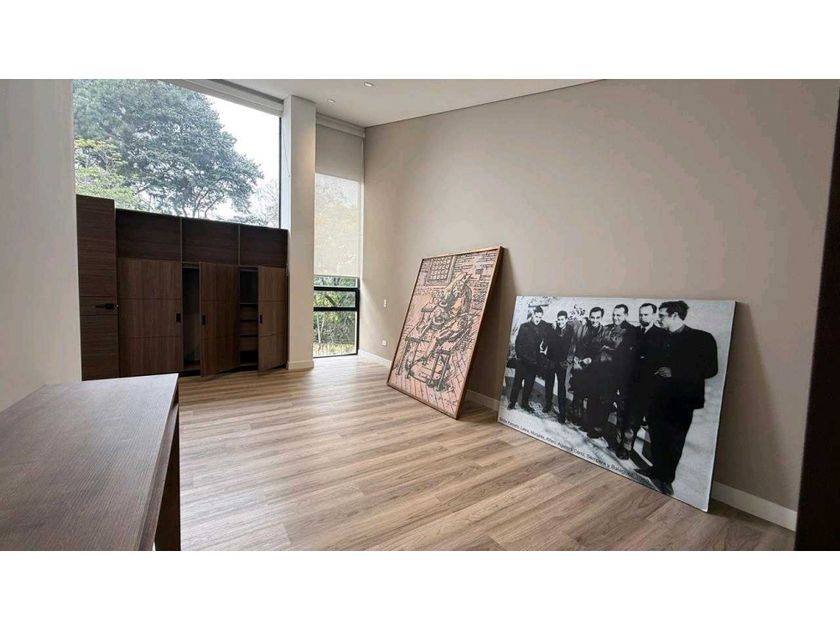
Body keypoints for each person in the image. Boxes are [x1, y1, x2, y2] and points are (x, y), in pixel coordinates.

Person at [637, 300, 718, 495]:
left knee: (675, 441)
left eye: (662, 315)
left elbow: (711, 370)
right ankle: (656, 470)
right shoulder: (659, 336)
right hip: (657, 397)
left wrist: (675, 372)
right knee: (657, 436)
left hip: (682, 400)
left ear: (675, 316)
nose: (658, 318)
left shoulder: (701, 338)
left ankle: (666, 478)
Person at [615, 302, 668, 460]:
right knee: (622, 413)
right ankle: (617, 441)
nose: (642, 317)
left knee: (634, 418)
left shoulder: (661, 334)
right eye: (640, 314)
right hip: (626, 381)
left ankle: (626, 447)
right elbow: (622, 354)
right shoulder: (633, 332)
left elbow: (663, 360)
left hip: (645, 384)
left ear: (653, 315)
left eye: (646, 314)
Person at [569, 307, 618, 439]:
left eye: (597, 317)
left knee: (593, 397)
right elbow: (577, 344)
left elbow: (602, 349)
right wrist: (577, 359)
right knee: (581, 394)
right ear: (589, 317)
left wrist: (591, 359)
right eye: (592, 317)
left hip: (595, 369)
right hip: (582, 367)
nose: (594, 320)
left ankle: (592, 425)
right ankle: (581, 420)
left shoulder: (605, 331)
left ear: (601, 318)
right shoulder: (584, 328)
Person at [607, 304, 639, 454]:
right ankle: (617, 441)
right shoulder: (610, 328)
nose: (615, 317)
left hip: (626, 378)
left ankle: (625, 446)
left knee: (626, 413)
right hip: (611, 375)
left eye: (618, 315)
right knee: (615, 409)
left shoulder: (632, 331)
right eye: (614, 315)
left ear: (626, 315)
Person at [508, 306, 547, 413]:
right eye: (536, 316)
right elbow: (518, 343)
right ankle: (512, 402)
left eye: (540, 317)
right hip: (523, 361)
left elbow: (548, 329)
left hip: (534, 362)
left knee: (529, 385)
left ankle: (524, 404)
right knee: (517, 383)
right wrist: (520, 357)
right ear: (532, 315)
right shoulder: (524, 326)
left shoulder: (542, 327)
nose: (538, 319)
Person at [542, 310, 574, 422]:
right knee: (549, 384)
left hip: (562, 362)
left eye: (562, 320)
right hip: (551, 360)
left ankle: (562, 412)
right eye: (558, 320)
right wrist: (543, 346)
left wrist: (568, 361)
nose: (560, 322)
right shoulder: (553, 327)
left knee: (561, 387)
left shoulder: (570, 330)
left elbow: (570, 345)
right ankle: (548, 404)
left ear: (566, 319)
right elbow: (547, 335)